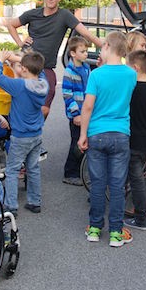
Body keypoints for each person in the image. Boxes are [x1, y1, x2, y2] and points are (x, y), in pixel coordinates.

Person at [5, 0, 103, 120]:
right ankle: (13, 133)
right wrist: (20, 42)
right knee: (20, 102)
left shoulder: (64, 15)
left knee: (45, 108)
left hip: (46, 67)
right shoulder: (32, 14)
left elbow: (86, 33)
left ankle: (32, 131)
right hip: (25, 63)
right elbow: (11, 25)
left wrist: (105, 47)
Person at [78, 31, 136, 247]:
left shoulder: (96, 75)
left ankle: (94, 228)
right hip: (121, 133)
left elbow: (88, 106)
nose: (100, 49)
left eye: (102, 46)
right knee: (118, 185)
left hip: (97, 133)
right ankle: (115, 232)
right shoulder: (130, 74)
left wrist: (83, 134)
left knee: (98, 184)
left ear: (109, 47)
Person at [0, 50, 48, 216]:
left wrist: (1, 60)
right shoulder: (43, 83)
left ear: (23, 69)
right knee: (33, 168)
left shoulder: (19, 86)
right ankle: (34, 201)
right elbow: (41, 70)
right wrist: (20, 61)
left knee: (12, 171)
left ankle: (11, 205)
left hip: (20, 135)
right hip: (37, 134)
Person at [122, 50, 146, 231]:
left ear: (135, 68)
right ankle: (128, 210)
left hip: (133, 141)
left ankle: (141, 218)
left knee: (135, 180)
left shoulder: (132, 90)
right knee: (134, 177)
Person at [61, 36, 91, 186]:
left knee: (84, 141)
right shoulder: (69, 72)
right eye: (83, 51)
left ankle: (79, 170)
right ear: (73, 53)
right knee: (76, 143)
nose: (86, 54)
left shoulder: (86, 68)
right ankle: (70, 173)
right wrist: (76, 114)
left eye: (86, 51)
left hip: (86, 113)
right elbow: (67, 95)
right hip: (77, 115)